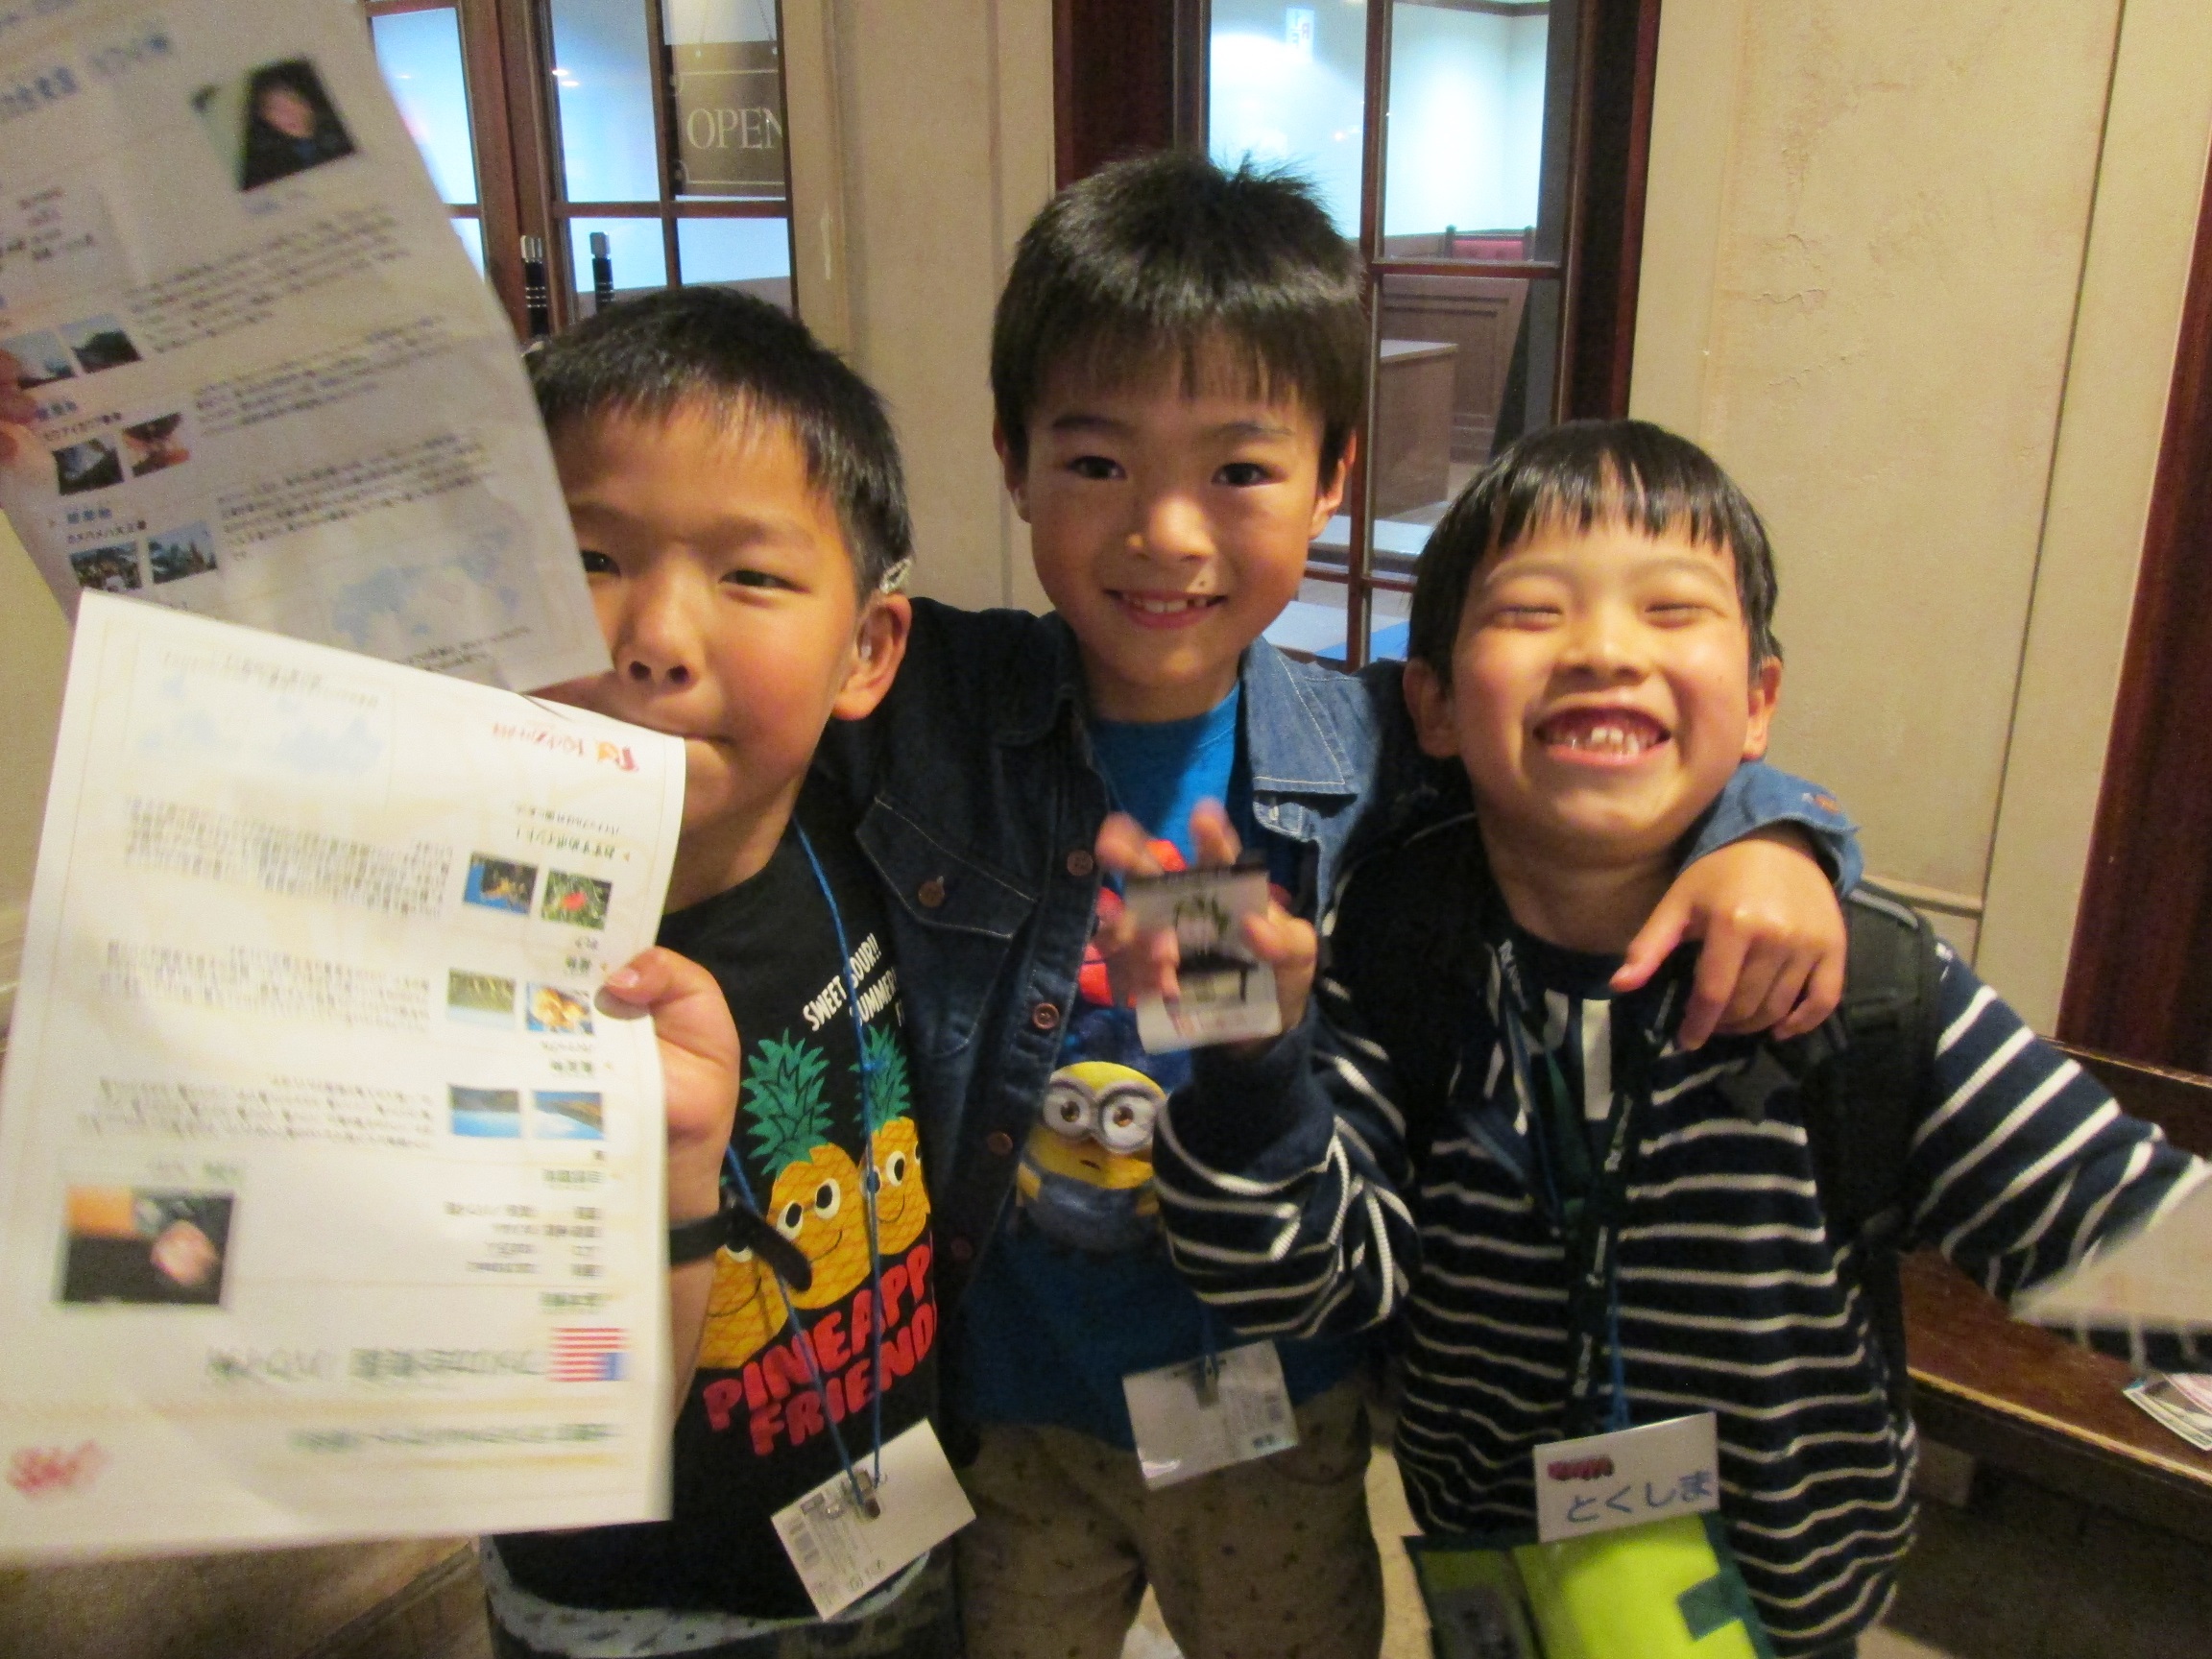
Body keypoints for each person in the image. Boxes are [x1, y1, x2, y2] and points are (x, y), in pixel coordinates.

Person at [814, 155, 1866, 1659]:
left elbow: (1611, 777)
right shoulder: (934, 706)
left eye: (1239, 472)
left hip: (1270, 1407)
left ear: (1332, 477)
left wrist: (1776, 834)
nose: (1167, 533)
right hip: (1006, 1409)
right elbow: (748, 684)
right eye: (1098, 463)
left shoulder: (1381, 748)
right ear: (1013, 460)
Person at [1139, 419, 2212, 1658]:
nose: (1604, 648)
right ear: (1430, 704)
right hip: (1501, 1594)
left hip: (1778, 1614)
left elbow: (2130, 1239)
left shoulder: (1855, 982)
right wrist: (1248, 1068)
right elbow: (1300, 1280)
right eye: (1532, 610)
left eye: (1671, 609)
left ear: (1758, 704)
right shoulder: (1397, 945)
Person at [480, 289, 959, 1659]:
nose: (655, 639)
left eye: (750, 577)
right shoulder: (491, 964)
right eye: (588, 556)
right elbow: (558, 1414)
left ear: (867, 651)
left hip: (901, 1532)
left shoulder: (865, 834)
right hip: (633, 1612)